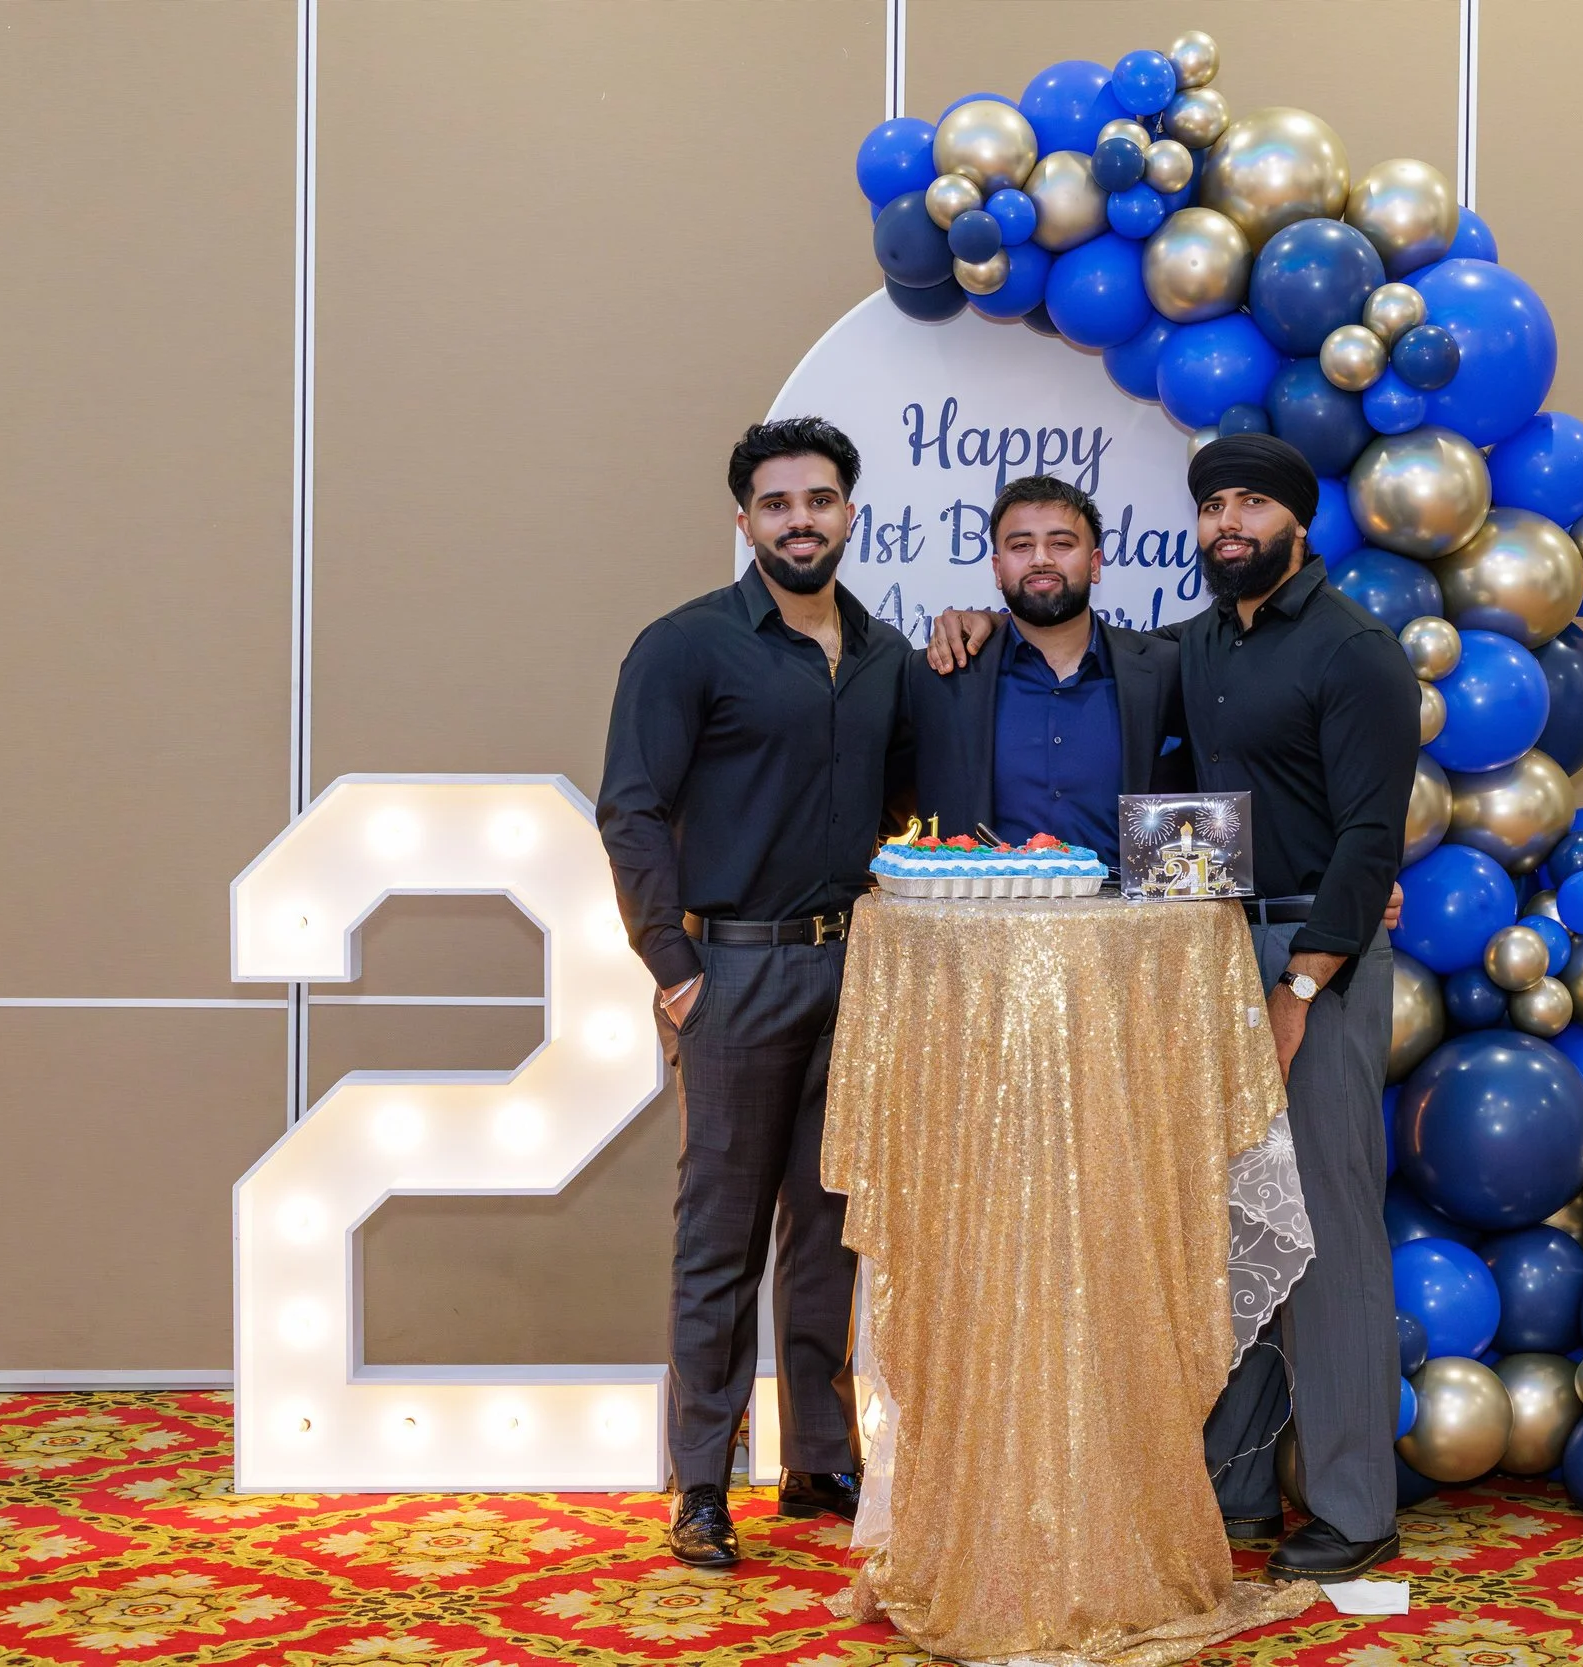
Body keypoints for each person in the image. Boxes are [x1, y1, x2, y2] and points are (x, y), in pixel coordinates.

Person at [928, 433, 1420, 1583]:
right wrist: (975, 621)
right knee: (1230, 1223)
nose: (1228, 524)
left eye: (1252, 503)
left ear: (1298, 520)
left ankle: (1354, 1505)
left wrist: (1305, 979)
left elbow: (1369, 834)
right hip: (1204, 952)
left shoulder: (1355, 650)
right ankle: (1235, 1480)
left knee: (1327, 1226)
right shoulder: (1196, 647)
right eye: (1212, 506)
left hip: (1313, 958)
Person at [597, 415, 909, 1569]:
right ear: (745, 521)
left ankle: (818, 1455)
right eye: (776, 504)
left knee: (831, 1225)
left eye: (818, 500)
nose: (799, 520)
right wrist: (675, 971)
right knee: (718, 1234)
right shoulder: (685, 646)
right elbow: (630, 808)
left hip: (858, 969)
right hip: (730, 970)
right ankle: (700, 1481)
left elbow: (909, 804)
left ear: (849, 513)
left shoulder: (882, 654)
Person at [904, 473, 1188, 855]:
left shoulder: (1165, 671)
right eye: (1021, 545)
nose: (1041, 559)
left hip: (1126, 894)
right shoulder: (938, 676)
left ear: (1095, 564)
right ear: (997, 569)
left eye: (1061, 543)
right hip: (980, 895)